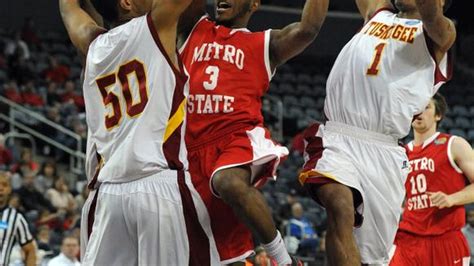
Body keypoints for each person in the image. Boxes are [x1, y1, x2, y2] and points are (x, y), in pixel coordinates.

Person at [59, 0, 220, 264]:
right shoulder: (155, 26)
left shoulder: (91, 45)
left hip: (108, 194)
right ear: (126, 3)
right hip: (157, 185)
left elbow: (68, 6)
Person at [298, 0, 456, 264]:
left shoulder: (441, 33)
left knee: (372, 258)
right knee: (339, 206)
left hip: (384, 150)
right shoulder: (378, 12)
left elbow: (432, 14)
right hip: (338, 135)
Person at [179, 0, 329, 264]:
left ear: (254, 4)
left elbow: (308, 29)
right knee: (223, 257)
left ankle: (284, 260)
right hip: (187, 150)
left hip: (235, 139)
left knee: (229, 182)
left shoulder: (263, 44)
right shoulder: (194, 26)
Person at [390, 94, 473, 265]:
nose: (419, 111)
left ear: (438, 115)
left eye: (426, 107)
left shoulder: (454, 145)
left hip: (445, 238)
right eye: (415, 107)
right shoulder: (400, 154)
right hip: (408, 239)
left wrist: (451, 199)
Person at [0, 172, 36, 266]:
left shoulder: (16, 218)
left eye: (4, 185)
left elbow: (30, 250)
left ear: (9, 190)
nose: (0, 188)